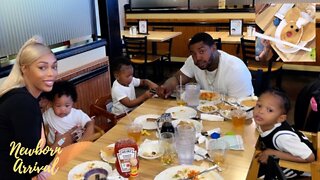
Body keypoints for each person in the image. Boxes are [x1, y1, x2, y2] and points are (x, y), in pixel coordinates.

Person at [0, 36, 75, 179]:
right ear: (25, 69)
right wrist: (60, 143)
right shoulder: (22, 103)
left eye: (54, 66)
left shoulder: (25, 97)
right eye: (42, 67)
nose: (51, 73)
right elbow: (30, 163)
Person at [156, 32, 253, 99]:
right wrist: (166, 87)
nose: (197, 57)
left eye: (202, 51)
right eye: (193, 53)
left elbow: (241, 108)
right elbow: (177, 79)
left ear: (214, 48)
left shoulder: (236, 69)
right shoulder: (192, 61)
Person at [254, 88, 315, 178]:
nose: (260, 111)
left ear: (281, 118)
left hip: (297, 165)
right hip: (283, 152)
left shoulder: (282, 138)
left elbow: (310, 157)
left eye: (269, 110)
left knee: (255, 175)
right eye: (259, 105)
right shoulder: (266, 122)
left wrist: (274, 153)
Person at [42, 80, 95, 145]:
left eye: (67, 106)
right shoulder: (49, 114)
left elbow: (90, 124)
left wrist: (82, 142)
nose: (63, 110)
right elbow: (38, 123)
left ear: (72, 103)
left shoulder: (77, 114)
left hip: (74, 145)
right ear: (51, 104)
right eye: (58, 106)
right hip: (54, 146)